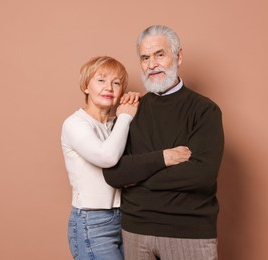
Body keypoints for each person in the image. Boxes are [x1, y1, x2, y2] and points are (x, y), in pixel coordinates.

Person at [103, 25, 225, 260]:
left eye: (160, 54)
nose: (152, 65)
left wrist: (137, 177)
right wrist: (164, 159)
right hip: (135, 231)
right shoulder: (131, 110)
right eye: (145, 58)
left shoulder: (204, 110)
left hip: (188, 233)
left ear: (178, 56)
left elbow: (203, 173)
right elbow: (114, 174)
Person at [61, 56, 191, 260]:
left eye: (116, 83)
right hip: (92, 222)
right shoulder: (75, 123)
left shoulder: (118, 123)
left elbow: (138, 160)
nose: (109, 88)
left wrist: (132, 110)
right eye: (101, 80)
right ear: (86, 86)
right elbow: (107, 158)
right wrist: (125, 116)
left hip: (127, 218)